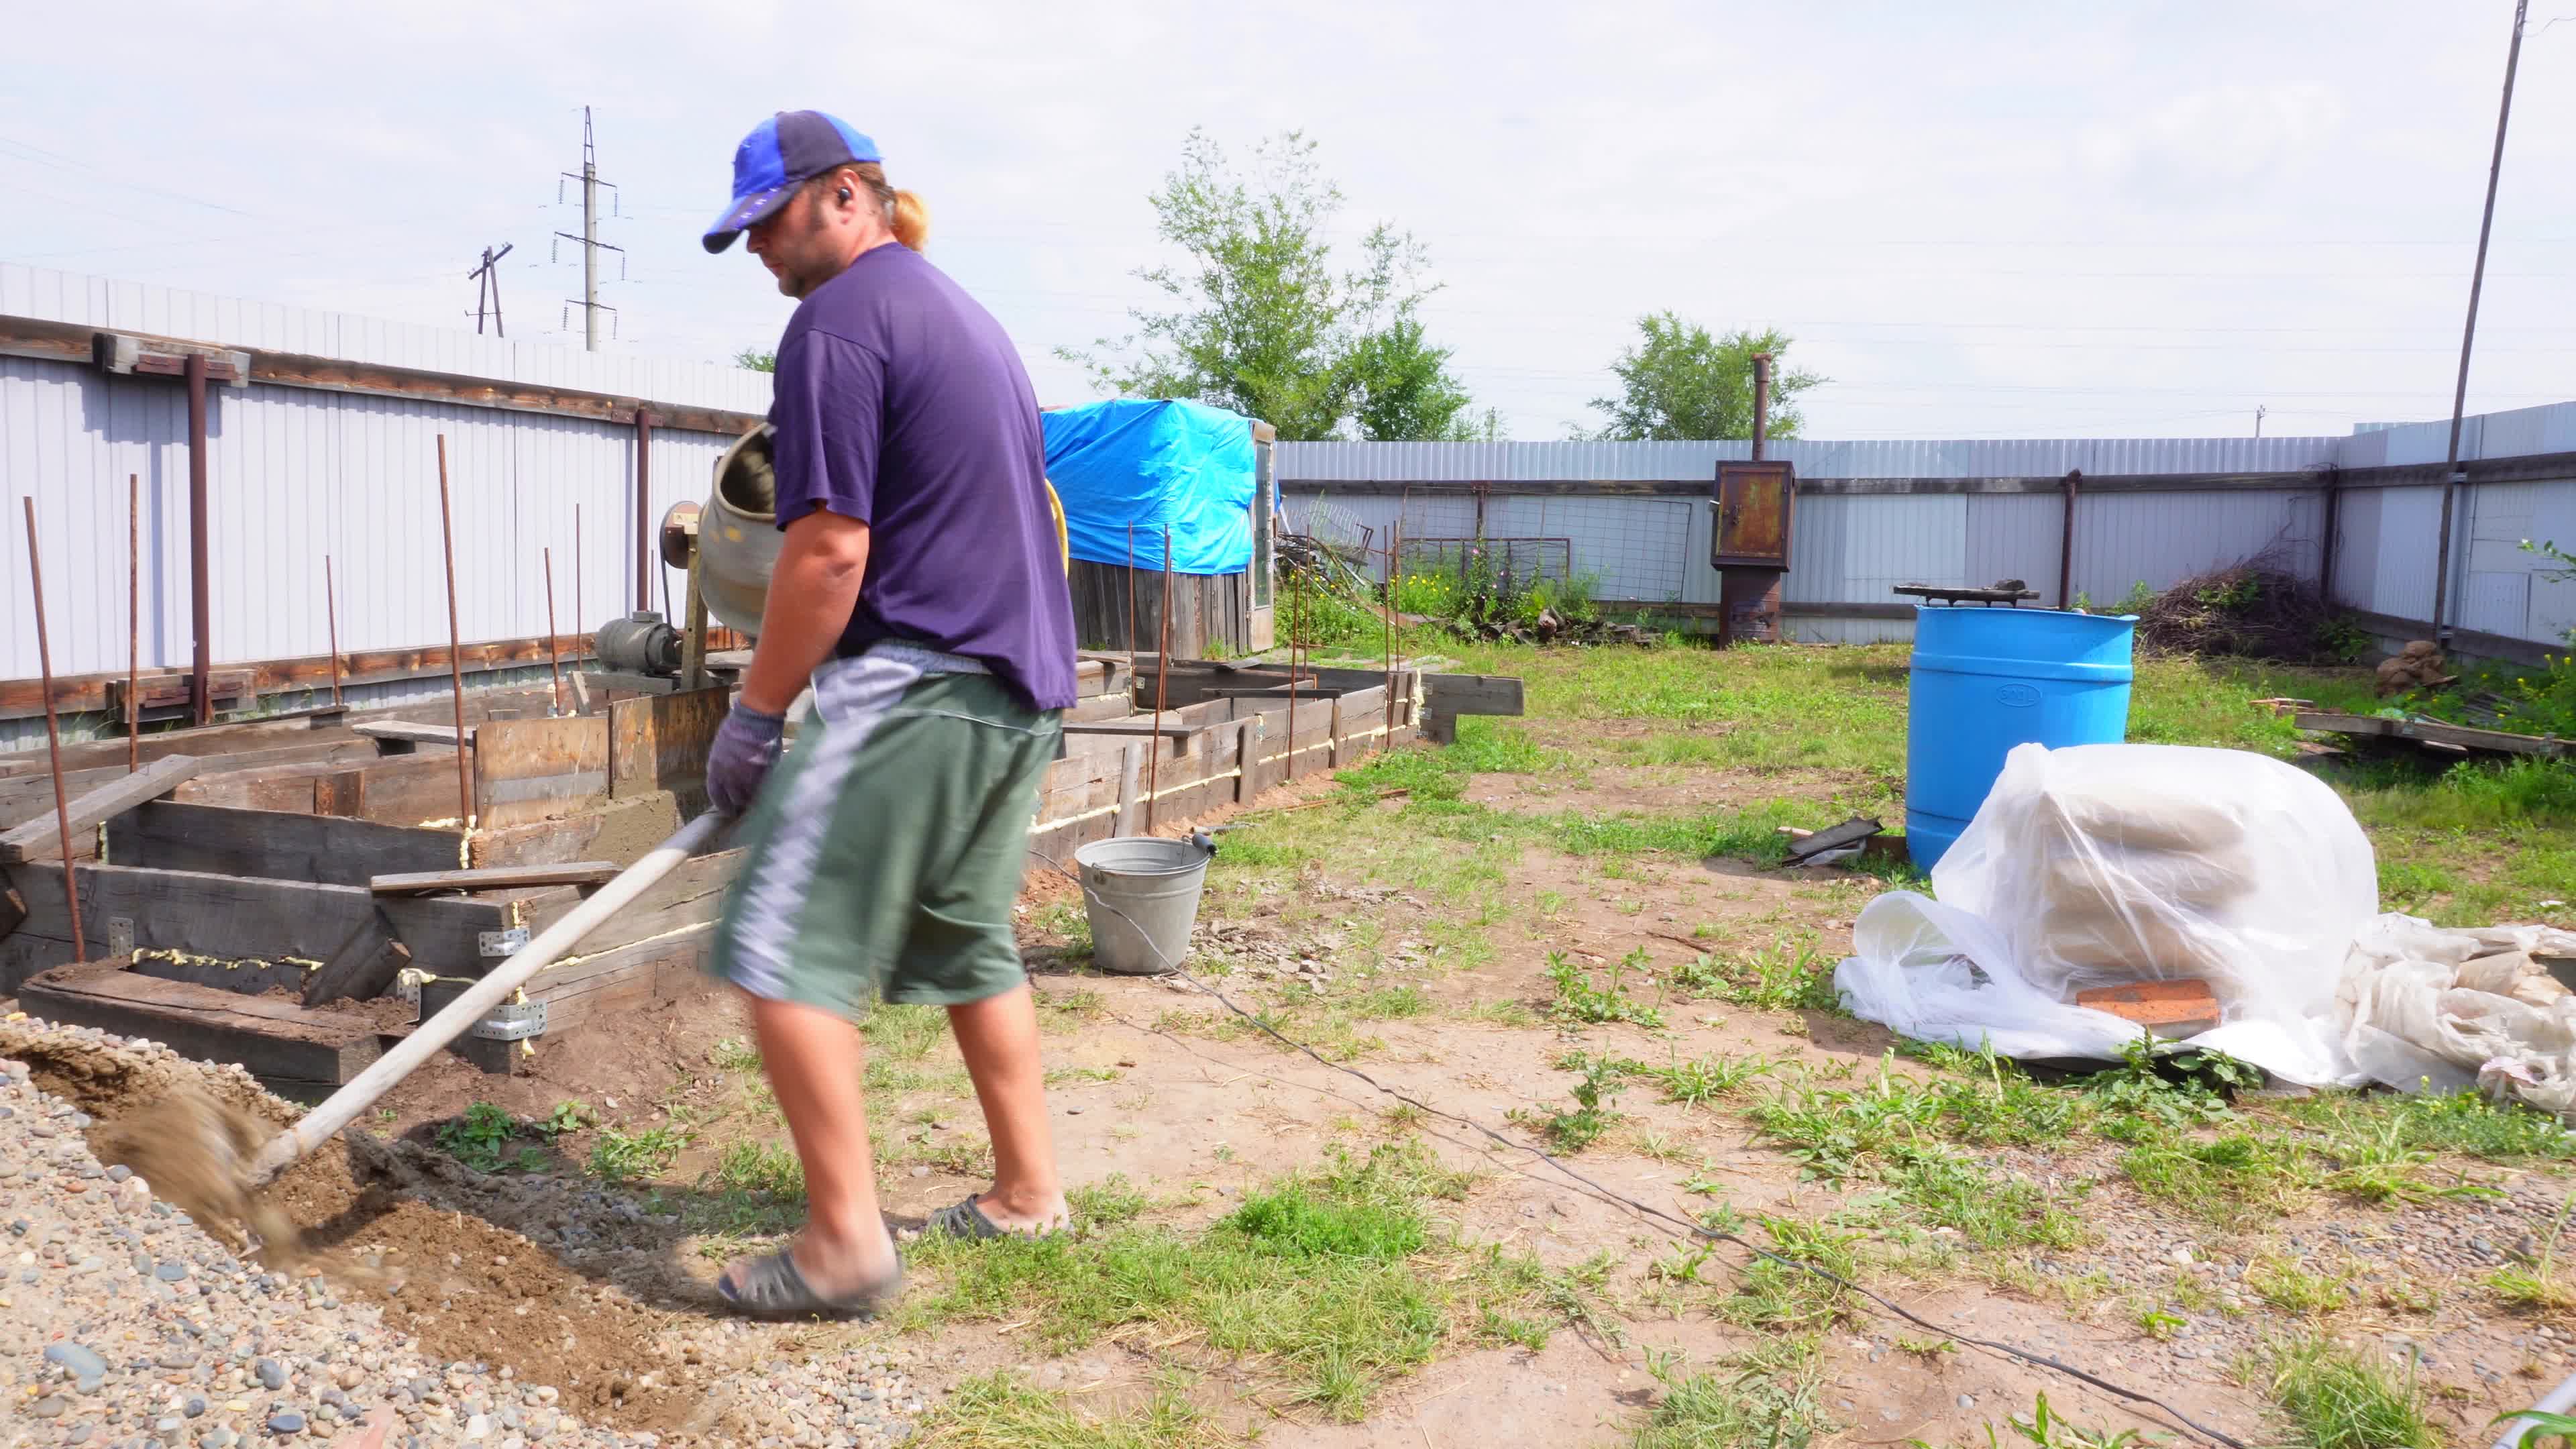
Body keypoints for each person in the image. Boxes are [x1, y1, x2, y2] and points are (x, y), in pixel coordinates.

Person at [696, 109, 1080, 1316]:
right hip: (1017, 690)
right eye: (747, 230)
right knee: (970, 941)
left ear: (846, 195)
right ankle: (1028, 1194)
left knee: (777, 945)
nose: (760, 247)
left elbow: (827, 552)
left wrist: (757, 713)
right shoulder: (963, 315)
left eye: (771, 219)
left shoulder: (837, 325)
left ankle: (843, 1247)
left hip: (920, 679)